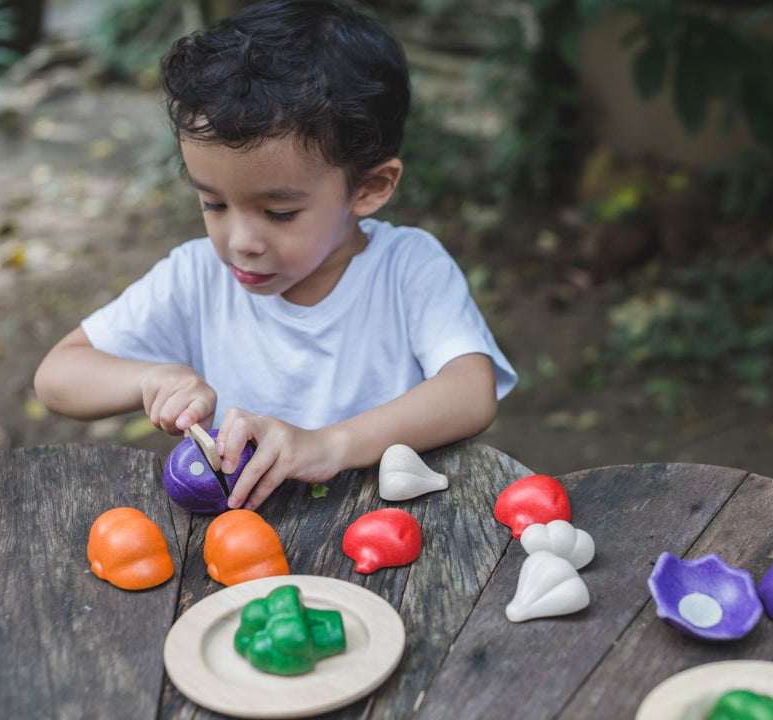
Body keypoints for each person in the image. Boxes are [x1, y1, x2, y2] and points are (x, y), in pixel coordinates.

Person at [34, 0, 516, 510]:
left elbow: (469, 390)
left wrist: (327, 444)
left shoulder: (408, 268)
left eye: (279, 212)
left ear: (370, 188)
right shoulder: (197, 277)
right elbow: (57, 376)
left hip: (392, 530)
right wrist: (150, 377)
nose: (241, 240)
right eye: (213, 203)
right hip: (242, 542)